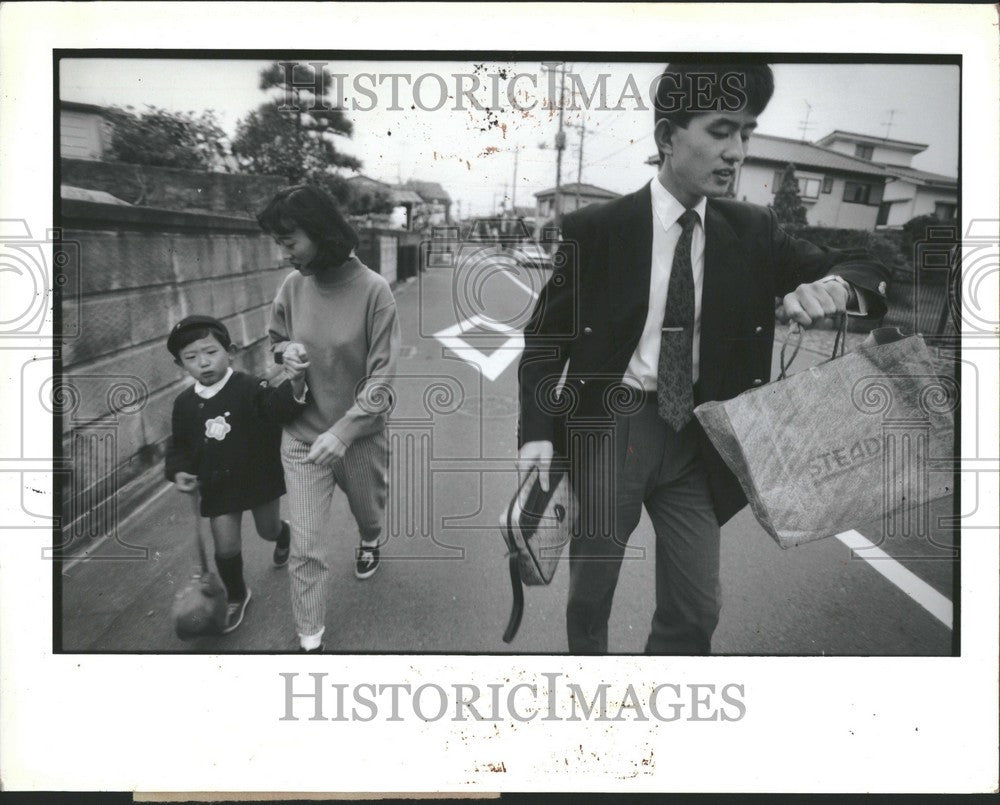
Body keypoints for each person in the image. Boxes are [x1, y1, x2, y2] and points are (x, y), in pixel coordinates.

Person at [517, 62, 891, 655]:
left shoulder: (755, 229)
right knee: (591, 594)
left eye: (746, 132)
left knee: (697, 609)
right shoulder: (596, 228)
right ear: (668, 137)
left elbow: (868, 267)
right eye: (721, 131)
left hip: (701, 435)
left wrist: (839, 289)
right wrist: (536, 431)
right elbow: (544, 339)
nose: (737, 151)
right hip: (613, 426)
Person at [259, 184, 401, 654]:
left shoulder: (375, 292)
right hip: (302, 438)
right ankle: (310, 638)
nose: (285, 253)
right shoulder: (293, 286)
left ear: (320, 232)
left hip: (358, 438)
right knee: (307, 545)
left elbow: (382, 380)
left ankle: (371, 538)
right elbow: (274, 338)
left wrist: (345, 431)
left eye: (290, 241)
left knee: (368, 511)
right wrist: (287, 352)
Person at [164, 314, 308, 633]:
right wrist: (179, 472)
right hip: (217, 486)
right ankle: (237, 595)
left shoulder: (250, 387)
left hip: (258, 478)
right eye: (191, 357)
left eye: (210, 352)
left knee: (267, 530)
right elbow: (179, 446)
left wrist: (295, 382)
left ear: (229, 351)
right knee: (225, 547)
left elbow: (278, 409)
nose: (203, 362)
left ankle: (282, 534)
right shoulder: (184, 404)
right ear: (180, 364)